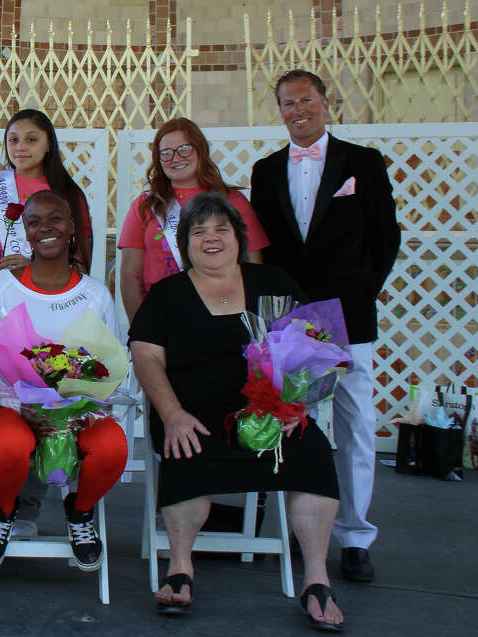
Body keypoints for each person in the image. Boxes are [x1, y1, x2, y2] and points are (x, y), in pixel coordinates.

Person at [130, 192, 344, 631]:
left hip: (271, 414)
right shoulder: (167, 295)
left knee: (314, 455)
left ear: (238, 238)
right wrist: (171, 413)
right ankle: (181, 568)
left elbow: (314, 347)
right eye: (199, 232)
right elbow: (146, 357)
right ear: (184, 243)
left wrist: (293, 406)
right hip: (192, 415)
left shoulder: (274, 282)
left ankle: (316, 582)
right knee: (186, 452)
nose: (211, 239)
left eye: (221, 230)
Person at [249, 69, 400, 584]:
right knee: (292, 422)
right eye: (288, 104)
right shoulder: (265, 170)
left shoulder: (363, 162)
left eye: (306, 100)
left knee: (356, 423)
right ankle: (299, 524)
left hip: (351, 316)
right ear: (280, 110)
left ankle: (356, 535)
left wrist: (358, 294)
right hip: (293, 320)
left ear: (326, 103)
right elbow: (265, 249)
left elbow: (385, 239)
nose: (298, 111)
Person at [0, 190, 128, 573]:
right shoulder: (1, 287)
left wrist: (77, 407)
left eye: (56, 219)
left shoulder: (94, 294)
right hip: (7, 408)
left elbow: (112, 363)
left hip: (76, 410)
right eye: (35, 222)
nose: (46, 229)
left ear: (72, 227)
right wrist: (18, 403)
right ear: (25, 230)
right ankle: (3, 513)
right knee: (12, 442)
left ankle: (81, 511)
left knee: (111, 446)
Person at [118, 117, 268, 321]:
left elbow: (254, 267)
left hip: (223, 308)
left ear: (200, 150)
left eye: (184, 149)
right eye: (166, 153)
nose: (175, 158)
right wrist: (139, 329)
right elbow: (129, 276)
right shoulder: (145, 205)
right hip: (163, 314)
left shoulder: (233, 200)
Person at [0, 108, 92, 287]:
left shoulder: (68, 193)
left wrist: (36, 268)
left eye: (31, 140)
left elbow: (81, 258)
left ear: (48, 144)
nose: (20, 147)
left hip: (48, 295)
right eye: (13, 140)